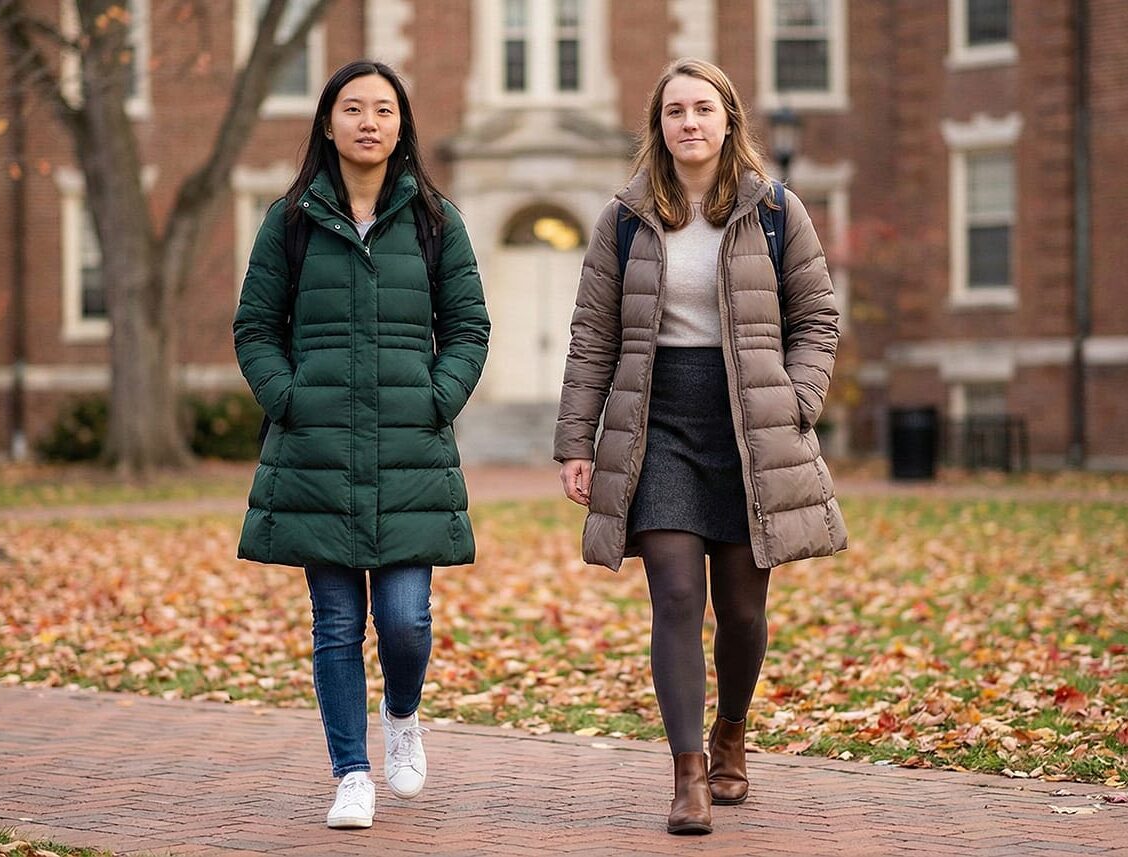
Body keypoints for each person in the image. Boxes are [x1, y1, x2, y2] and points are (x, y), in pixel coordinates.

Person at [554, 58, 847, 836]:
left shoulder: (775, 210)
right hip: (658, 424)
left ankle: (731, 732)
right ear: (659, 125)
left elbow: (817, 316)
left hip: (749, 423)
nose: (689, 122)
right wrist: (576, 441)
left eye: (703, 109)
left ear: (728, 120)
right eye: (675, 110)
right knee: (677, 595)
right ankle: (687, 773)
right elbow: (593, 338)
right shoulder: (624, 218)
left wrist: (797, 398)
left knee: (743, 610)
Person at [233, 60, 489, 830]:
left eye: (383, 109)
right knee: (337, 623)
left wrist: (437, 396)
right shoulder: (292, 221)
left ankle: (402, 714)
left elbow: (469, 326)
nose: (368, 121)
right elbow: (255, 327)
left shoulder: (436, 221)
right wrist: (290, 399)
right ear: (328, 122)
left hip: (411, 452)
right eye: (353, 108)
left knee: (406, 619)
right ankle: (351, 771)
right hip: (318, 454)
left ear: (403, 124)